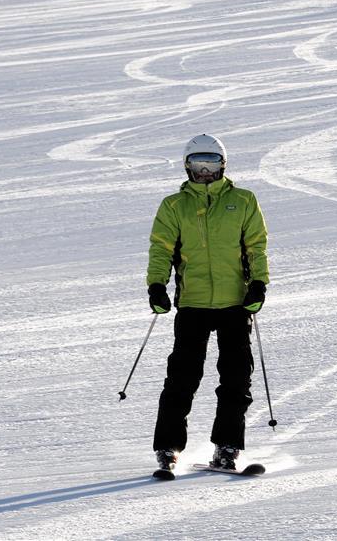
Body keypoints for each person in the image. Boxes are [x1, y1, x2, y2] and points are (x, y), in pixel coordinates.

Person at [146, 133, 269, 473]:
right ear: (187, 166)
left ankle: (227, 447)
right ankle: (168, 447)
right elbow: (161, 248)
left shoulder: (243, 200)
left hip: (235, 304)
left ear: (223, 164)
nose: (204, 171)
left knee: (236, 378)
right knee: (182, 378)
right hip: (193, 304)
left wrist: (259, 284)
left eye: (210, 163)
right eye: (197, 163)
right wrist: (157, 285)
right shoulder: (174, 205)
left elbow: (256, 246)